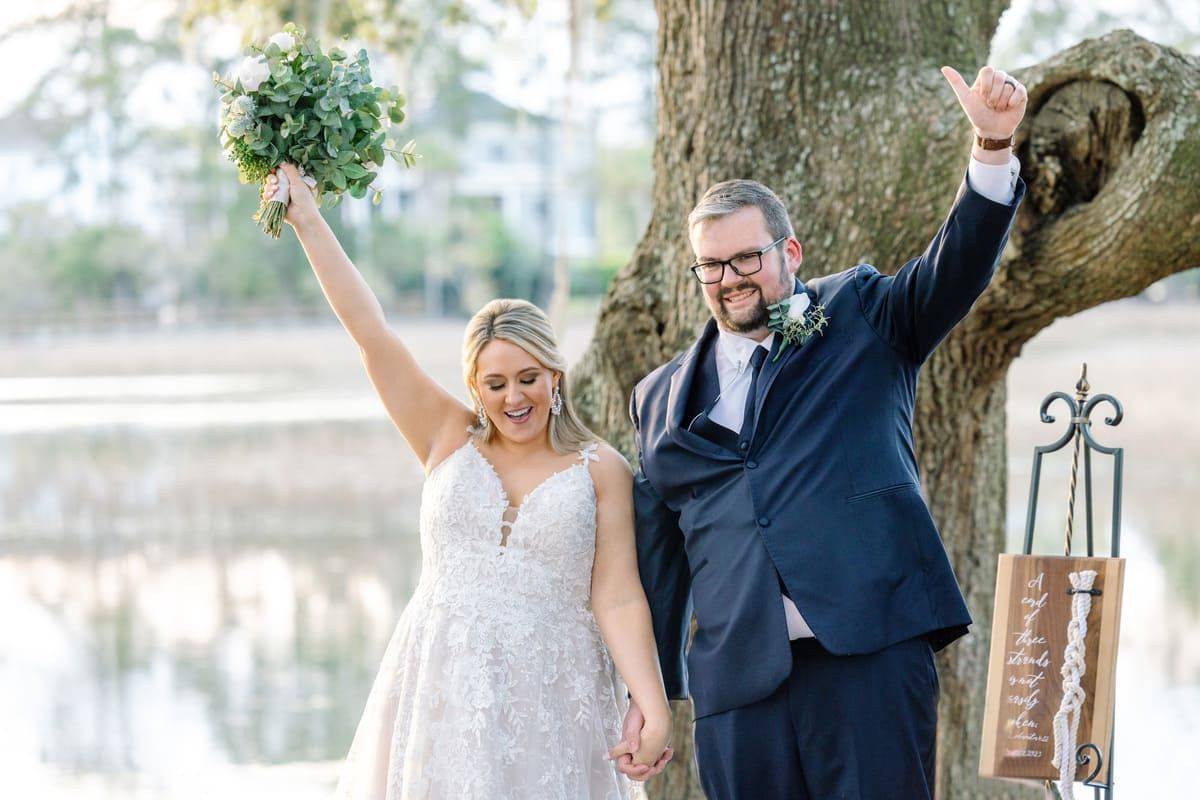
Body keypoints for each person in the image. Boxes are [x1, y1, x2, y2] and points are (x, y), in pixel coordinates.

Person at [615, 65, 1028, 797]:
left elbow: (953, 270)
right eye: (711, 266)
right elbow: (660, 565)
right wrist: (645, 698)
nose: (731, 277)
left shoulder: (864, 315)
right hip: (739, 687)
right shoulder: (657, 397)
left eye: (747, 257)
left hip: (869, 655)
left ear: (790, 253)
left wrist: (991, 149)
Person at [263, 163, 673, 798]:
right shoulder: (445, 436)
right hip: (439, 682)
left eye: (529, 378)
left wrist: (653, 704)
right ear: (475, 387)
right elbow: (372, 337)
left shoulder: (602, 471)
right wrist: (308, 220)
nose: (515, 398)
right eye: (496, 383)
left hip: (553, 698)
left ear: (555, 375)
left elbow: (618, 598)